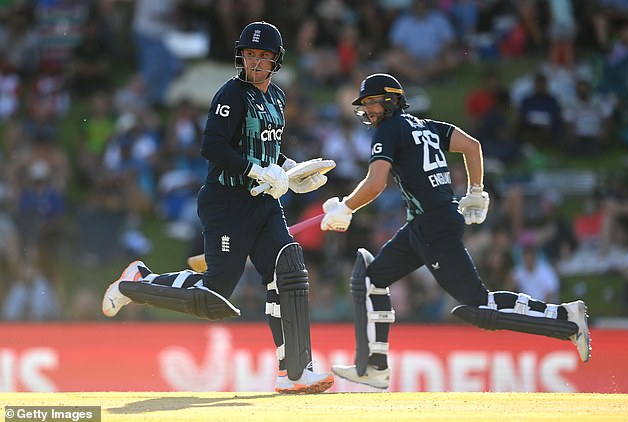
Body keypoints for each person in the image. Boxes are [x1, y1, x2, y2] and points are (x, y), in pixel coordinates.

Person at [101, 21, 334, 394]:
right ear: (241, 55)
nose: (256, 62)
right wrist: (256, 170)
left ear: (276, 61)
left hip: (264, 202)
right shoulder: (231, 95)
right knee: (214, 297)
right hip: (227, 201)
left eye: (264, 56)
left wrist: (291, 170)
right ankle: (138, 283)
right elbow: (213, 146)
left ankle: (294, 371)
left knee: (288, 270)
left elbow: (265, 147)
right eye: (251, 54)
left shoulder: (276, 98)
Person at [320, 73, 591, 390]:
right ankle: (374, 367)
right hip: (424, 223)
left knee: (480, 304)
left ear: (392, 99)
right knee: (370, 279)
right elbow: (471, 146)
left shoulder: (389, 129)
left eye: (373, 102)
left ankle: (566, 318)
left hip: (433, 225)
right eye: (365, 105)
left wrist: (347, 207)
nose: (369, 111)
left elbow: (377, 182)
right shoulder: (426, 126)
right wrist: (476, 190)